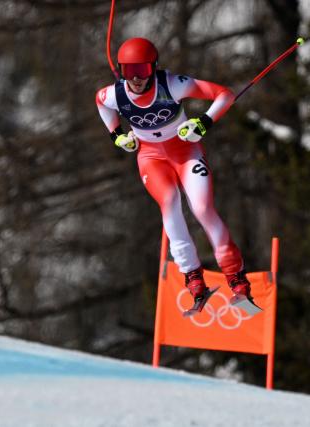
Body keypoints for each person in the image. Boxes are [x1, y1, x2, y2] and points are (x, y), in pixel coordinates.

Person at [95, 37, 252, 310]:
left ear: (153, 68)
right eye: (128, 72)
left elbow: (224, 94)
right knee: (169, 203)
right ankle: (192, 276)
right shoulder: (114, 95)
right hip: (150, 157)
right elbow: (100, 102)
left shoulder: (172, 84)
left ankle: (235, 276)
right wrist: (118, 136)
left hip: (185, 152)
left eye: (142, 71)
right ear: (120, 71)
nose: (136, 79)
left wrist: (202, 123)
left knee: (203, 208)